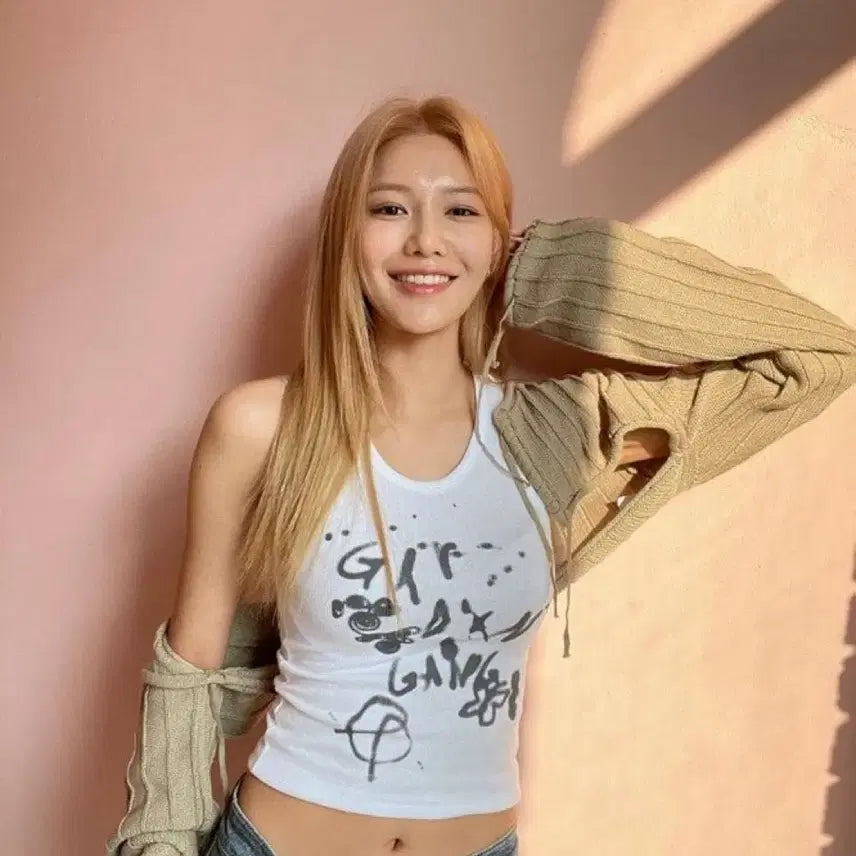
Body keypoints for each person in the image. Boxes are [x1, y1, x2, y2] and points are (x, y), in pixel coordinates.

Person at [107, 94, 856, 856]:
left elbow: (817, 359)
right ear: (346, 236)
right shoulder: (261, 427)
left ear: (499, 242)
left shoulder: (553, 434)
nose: (425, 241)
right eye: (390, 209)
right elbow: (189, 668)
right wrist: (160, 846)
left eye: (461, 212)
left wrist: (544, 267)